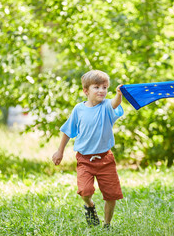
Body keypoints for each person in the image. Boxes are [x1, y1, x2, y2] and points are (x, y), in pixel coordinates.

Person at [52, 70, 124, 229]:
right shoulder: (79, 109)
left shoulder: (106, 106)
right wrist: (60, 151)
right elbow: (67, 131)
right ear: (86, 91)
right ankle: (90, 206)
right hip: (85, 159)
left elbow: (115, 103)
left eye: (104, 87)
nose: (101, 91)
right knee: (85, 191)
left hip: (105, 159)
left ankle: (107, 224)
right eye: (96, 87)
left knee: (111, 195)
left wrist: (119, 94)